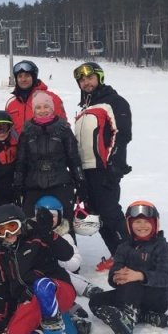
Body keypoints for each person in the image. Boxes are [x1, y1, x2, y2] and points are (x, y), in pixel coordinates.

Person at [0, 203, 80, 334]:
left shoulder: (36, 238)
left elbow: (67, 254)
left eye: (12, 227)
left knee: (42, 285)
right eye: (2, 230)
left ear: (21, 224)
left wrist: (48, 233)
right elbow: (4, 292)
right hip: (32, 300)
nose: (8, 234)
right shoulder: (0, 255)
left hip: (59, 290)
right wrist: (2, 323)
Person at [72, 61, 133, 268]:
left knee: (110, 213)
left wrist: (114, 165)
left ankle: (132, 256)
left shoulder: (114, 102)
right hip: (86, 171)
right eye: (82, 80)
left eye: (90, 78)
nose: (86, 82)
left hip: (104, 168)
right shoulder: (84, 108)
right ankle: (117, 254)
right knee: (97, 216)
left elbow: (121, 134)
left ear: (99, 77)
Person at [89, 201, 168, 334]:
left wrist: (140, 276)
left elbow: (164, 277)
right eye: (137, 222)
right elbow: (115, 269)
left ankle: (127, 322)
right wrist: (117, 277)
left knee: (132, 284)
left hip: (158, 297)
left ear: (155, 223)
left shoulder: (163, 247)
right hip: (129, 295)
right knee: (96, 301)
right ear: (129, 224)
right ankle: (144, 316)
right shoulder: (123, 247)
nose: (142, 226)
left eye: (146, 222)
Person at [14, 91, 85, 220]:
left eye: (46, 106)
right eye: (38, 107)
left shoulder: (63, 129)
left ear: (52, 108)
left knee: (63, 223)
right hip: (34, 185)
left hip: (60, 184)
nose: (43, 111)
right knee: (31, 224)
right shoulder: (27, 132)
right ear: (34, 110)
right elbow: (21, 161)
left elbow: (73, 158)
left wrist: (80, 181)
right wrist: (18, 183)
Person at [5, 60, 67, 133]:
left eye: (27, 76)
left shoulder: (50, 98)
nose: (23, 79)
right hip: (19, 140)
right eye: (20, 76)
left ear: (33, 77)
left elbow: (63, 126)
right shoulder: (11, 103)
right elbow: (7, 130)